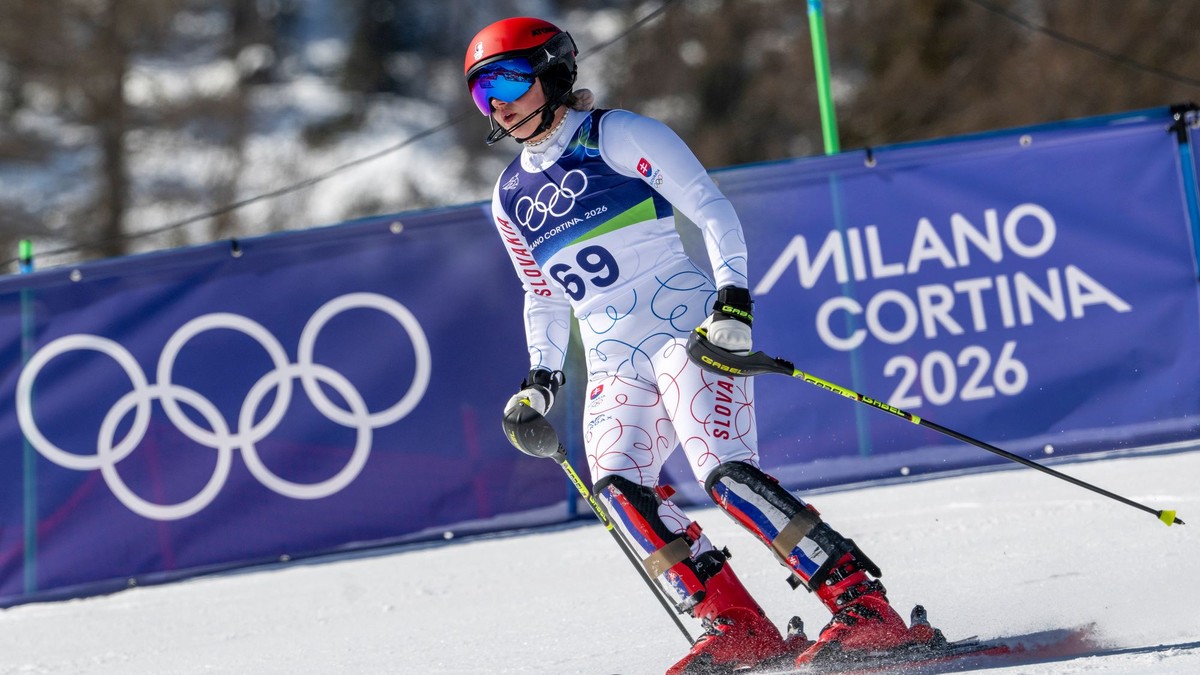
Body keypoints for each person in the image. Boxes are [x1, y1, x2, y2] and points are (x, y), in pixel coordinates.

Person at [465, 17, 938, 674]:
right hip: (610, 359)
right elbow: (541, 293)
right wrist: (541, 377)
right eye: (482, 92)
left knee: (725, 474)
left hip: (684, 330)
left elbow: (711, 209)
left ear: (552, 72)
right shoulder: (508, 196)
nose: (499, 102)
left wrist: (733, 302)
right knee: (619, 490)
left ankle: (863, 605)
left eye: (510, 79)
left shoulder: (617, 134)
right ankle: (737, 626)